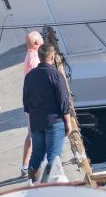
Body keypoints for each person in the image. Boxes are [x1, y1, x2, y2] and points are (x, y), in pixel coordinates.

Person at [22, 43, 72, 180]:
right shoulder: (55, 74)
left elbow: (26, 102)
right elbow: (63, 99)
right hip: (54, 121)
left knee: (37, 155)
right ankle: (51, 188)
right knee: (53, 157)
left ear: (39, 57)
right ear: (52, 56)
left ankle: (32, 184)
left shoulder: (29, 77)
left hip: (37, 122)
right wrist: (68, 121)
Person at [21, 30, 44, 167]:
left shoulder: (30, 56)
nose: (43, 39)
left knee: (32, 132)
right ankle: (28, 164)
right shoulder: (35, 59)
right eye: (41, 38)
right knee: (33, 132)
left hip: (31, 99)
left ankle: (26, 164)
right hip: (36, 101)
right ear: (36, 42)